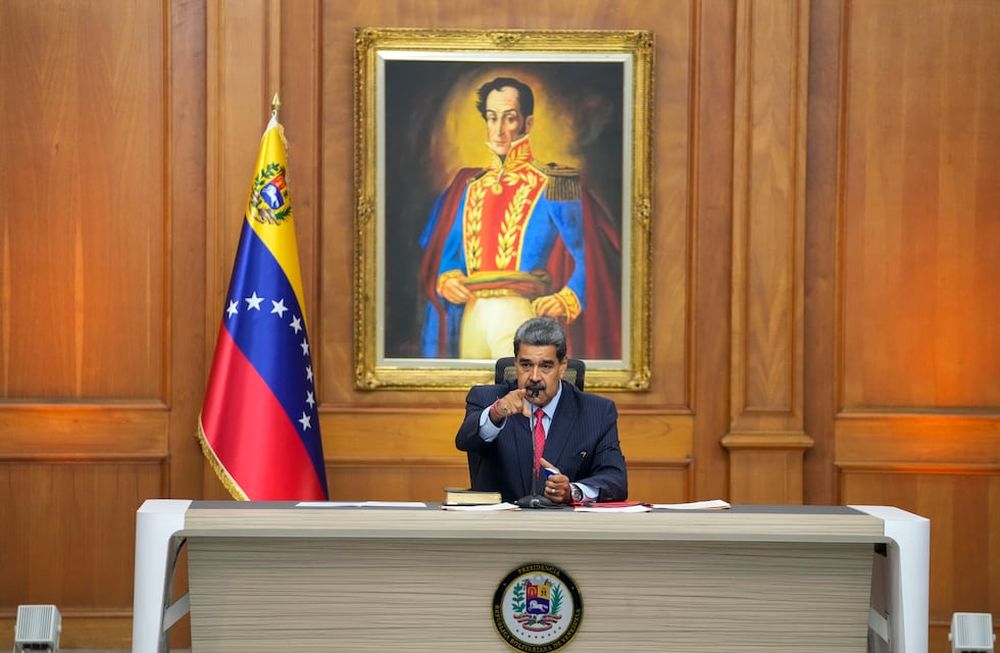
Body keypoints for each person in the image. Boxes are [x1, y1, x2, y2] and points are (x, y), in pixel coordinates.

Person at [419, 76, 621, 359]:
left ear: (527, 124)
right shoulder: (469, 186)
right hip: (472, 314)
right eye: (492, 118)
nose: (499, 130)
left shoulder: (554, 184)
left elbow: (589, 256)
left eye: (509, 118)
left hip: (517, 312)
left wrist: (568, 297)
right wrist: (448, 278)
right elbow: (450, 256)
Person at [454, 317, 627, 504]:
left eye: (546, 366)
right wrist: (496, 413)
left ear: (562, 367)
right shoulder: (487, 400)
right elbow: (465, 441)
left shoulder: (597, 412)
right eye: (526, 365)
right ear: (516, 364)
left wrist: (572, 491)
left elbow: (616, 481)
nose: (535, 377)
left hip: (565, 528)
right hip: (500, 527)